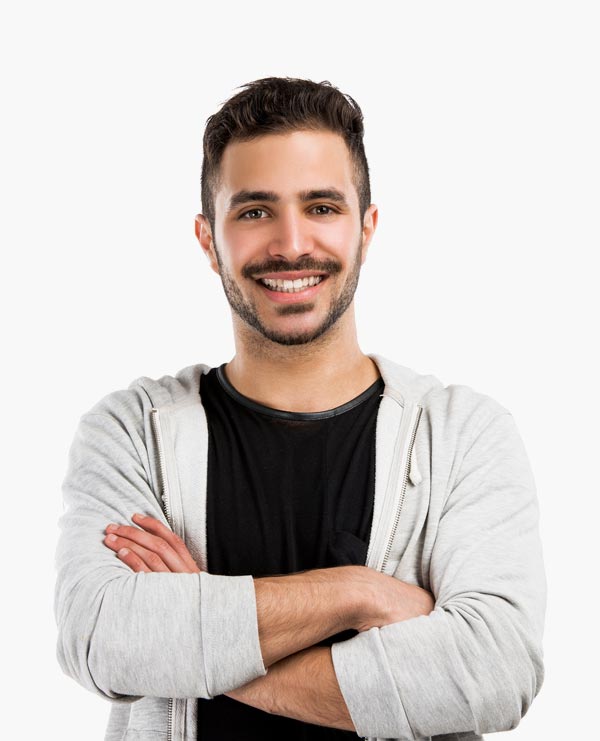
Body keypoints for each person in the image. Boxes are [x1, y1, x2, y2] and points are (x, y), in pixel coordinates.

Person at [54, 77, 546, 741]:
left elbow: (494, 670)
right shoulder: (132, 430)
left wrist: (195, 638)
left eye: (321, 207)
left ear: (366, 228)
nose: (291, 244)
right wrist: (358, 592)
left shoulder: (462, 434)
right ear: (208, 240)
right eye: (255, 211)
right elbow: (101, 637)